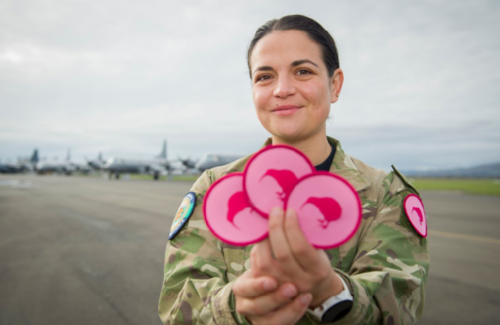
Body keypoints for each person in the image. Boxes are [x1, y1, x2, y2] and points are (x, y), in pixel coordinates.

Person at [159, 14, 429, 325]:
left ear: (335, 84)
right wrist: (235, 308)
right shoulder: (215, 188)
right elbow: (176, 306)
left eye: (303, 71)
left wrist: (332, 294)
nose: (282, 89)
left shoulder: (387, 194)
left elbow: (398, 310)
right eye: (265, 77)